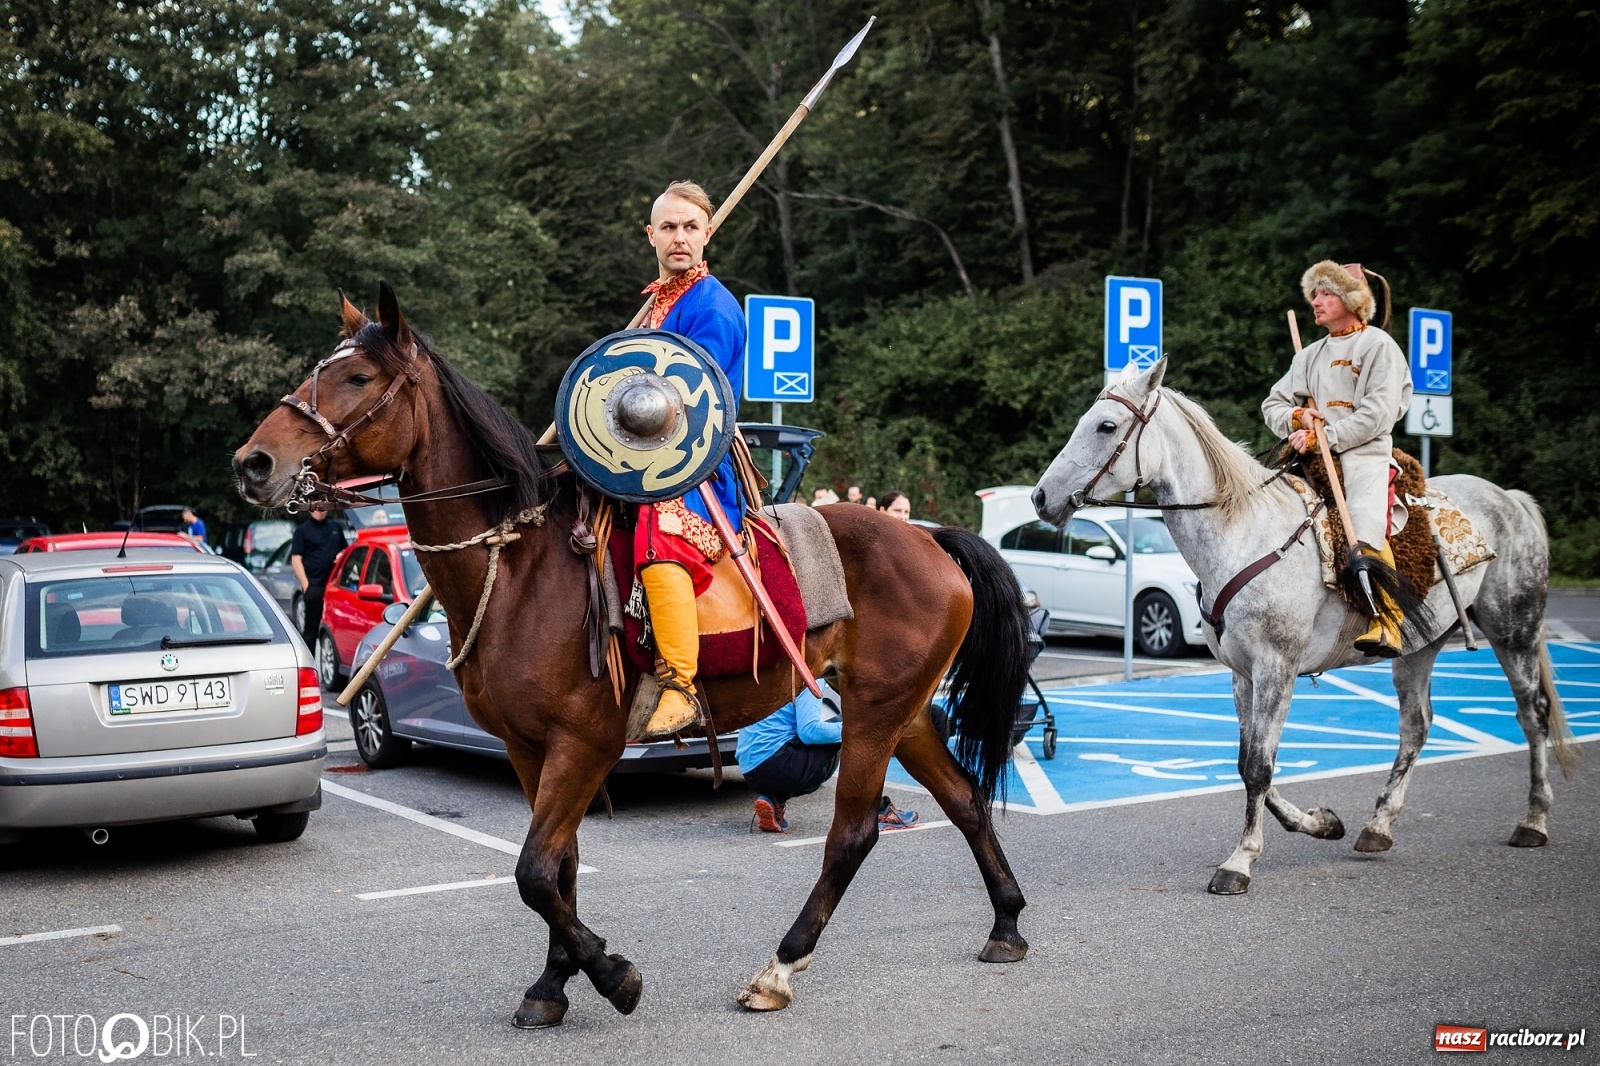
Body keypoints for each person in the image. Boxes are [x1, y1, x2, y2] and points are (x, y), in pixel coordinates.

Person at [632, 180, 749, 738]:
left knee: (661, 529)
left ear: (708, 234)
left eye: (691, 227)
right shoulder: (659, 302)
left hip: (695, 463)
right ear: (651, 235)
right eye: (669, 227)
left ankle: (679, 684)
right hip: (644, 454)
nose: (680, 237)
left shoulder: (713, 308)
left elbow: (686, 405)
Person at [1263, 261, 1411, 657]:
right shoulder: (1309, 356)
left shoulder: (1379, 346)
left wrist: (1324, 436)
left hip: (1364, 455)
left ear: (1352, 300)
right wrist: (1296, 418)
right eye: (1315, 293)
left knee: (1364, 521)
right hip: (1312, 453)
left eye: (1326, 293)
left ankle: (1389, 621)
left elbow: (1378, 414)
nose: (1316, 301)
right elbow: (1272, 404)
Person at [738, 681, 920, 833]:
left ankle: (773, 800)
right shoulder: (807, 674)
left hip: (751, 771)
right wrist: (858, 731)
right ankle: (875, 810)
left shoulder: (778, 672)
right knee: (840, 730)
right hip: (778, 763)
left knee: (833, 728)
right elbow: (810, 732)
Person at [290, 504, 348, 650]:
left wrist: (341, 557)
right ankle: (309, 665)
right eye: (317, 505)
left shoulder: (335, 527)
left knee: (335, 629)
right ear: (310, 508)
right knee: (311, 631)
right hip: (314, 587)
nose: (320, 509)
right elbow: (296, 558)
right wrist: (306, 585)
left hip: (335, 587)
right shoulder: (302, 530)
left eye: (323, 505)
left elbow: (346, 551)